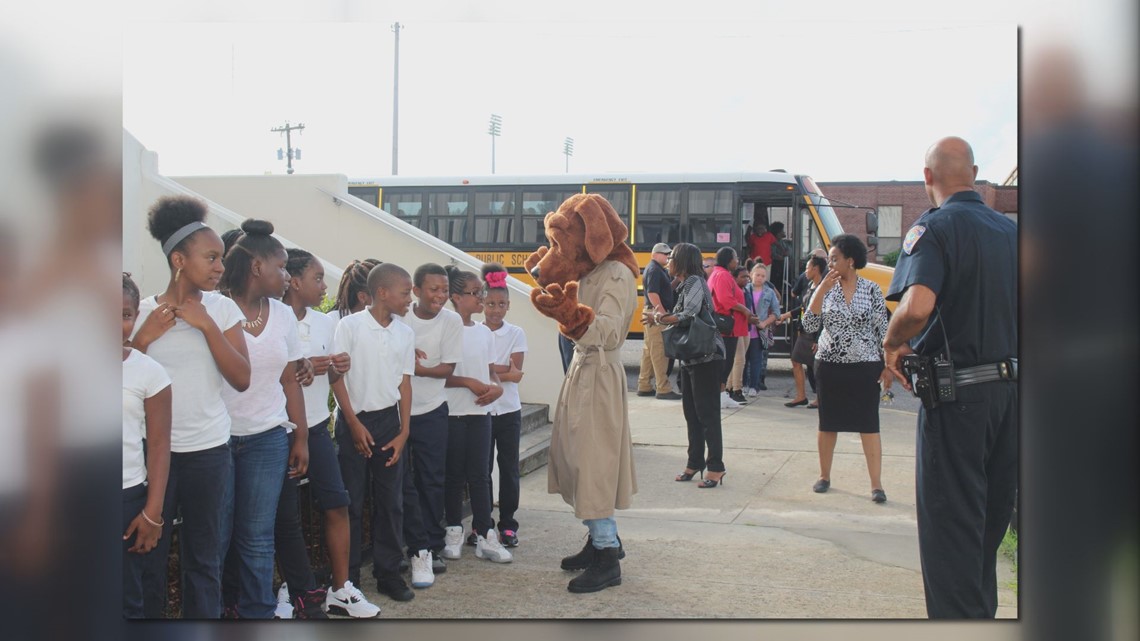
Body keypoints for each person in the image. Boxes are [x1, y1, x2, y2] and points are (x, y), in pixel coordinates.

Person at [883, 136, 1018, 618]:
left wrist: (892, 342)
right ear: (976, 173)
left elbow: (917, 306)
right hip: (1012, 400)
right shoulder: (1011, 232)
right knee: (984, 537)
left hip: (958, 400)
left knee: (951, 541)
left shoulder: (934, 228)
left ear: (927, 178)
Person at [131, 195, 250, 619]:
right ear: (179, 259)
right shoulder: (142, 312)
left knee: (204, 560)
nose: (221, 267)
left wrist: (206, 325)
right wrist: (142, 338)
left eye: (222, 258)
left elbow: (241, 377)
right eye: (212, 257)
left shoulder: (221, 308)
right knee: (148, 558)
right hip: (152, 457)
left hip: (208, 453)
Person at [276, 248, 378, 618]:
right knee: (284, 516)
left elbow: (335, 376)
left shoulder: (325, 324)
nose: (325, 287)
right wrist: (299, 367)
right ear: (295, 281)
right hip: (280, 431)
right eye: (317, 279)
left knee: (338, 503)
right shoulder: (272, 319)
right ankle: (290, 589)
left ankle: (341, 589)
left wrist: (337, 367)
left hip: (318, 427)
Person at [218, 219, 309, 619]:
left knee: (257, 537)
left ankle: (258, 613)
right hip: (215, 442)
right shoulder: (213, 308)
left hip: (267, 438)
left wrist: (301, 438)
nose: (287, 276)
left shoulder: (284, 316)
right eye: (282, 266)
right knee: (216, 537)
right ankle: (219, 609)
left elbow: (290, 380)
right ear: (257, 267)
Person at [330, 262, 418, 605]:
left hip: (388, 423)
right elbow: (337, 378)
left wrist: (403, 432)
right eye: (405, 292)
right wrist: (352, 424)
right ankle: (348, 578)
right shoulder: (349, 327)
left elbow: (405, 383)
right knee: (350, 501)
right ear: (382, 293)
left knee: (391, 503)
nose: (409, 299)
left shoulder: (405, 332)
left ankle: (388, 573)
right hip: (354, 420)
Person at [802, 234, 891, 503]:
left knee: (869, 425)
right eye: (829, 259)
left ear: (850, 261)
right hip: (830, 365)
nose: (830, 264)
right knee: (828, 423)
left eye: (834, 259)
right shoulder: (824, 289)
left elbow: (883, 330)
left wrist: (887, 366)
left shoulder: (872, 289)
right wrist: (820, 292)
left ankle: (876, 485)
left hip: (866, 367)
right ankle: (824, 476)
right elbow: (808, 327)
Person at [439, 266, 512, 563]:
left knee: (481, 476)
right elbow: (437, 375)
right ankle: (453, 530)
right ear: (455, 297)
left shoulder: (484, 333)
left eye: (481, 292)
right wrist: (467, 382)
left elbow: (492, 372)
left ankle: (485, 534)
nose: (480, 298)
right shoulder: (445, 328)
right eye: (474, 293)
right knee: (454, 476)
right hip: (452, 413)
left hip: (481, 414)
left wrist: (496, 389)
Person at [643, 242, 727, 488]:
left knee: (707, 414)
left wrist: (657, 317)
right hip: (693, 356)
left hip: (707, 357)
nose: (668, 261)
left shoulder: (694, 282)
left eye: (672, 258)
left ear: (682, 261)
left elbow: (687, 315)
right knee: (692, 413)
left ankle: (715, 467)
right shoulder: (683, 283)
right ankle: (694, 462)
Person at [400, 263, 464, 577]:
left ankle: (430, 545)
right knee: (397, 481)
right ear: (415, 291)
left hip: (432, 411)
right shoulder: (400, 315)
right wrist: (406, 359)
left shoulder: (451, 321)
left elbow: (447, 369)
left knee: (431, 479)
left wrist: (414, 367)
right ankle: (403, 545)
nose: (440, 295)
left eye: (444, 290)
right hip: (396, 411)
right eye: (433, 289)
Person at [121, 273, 172, 619]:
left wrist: (152, 512)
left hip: (126, 499)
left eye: (125, 314)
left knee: (127, 600)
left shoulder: (149, 373)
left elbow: (158, 445)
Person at [480, 263, 528, 548]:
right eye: (490, 304)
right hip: (482, 409)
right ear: (482, 303)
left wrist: (489, 369)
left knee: (508, 467)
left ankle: (508, 524)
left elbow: (516, 374)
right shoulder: (474, 331)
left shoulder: (516, 333)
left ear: (508, 305)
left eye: (501, 304)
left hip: (508, 410)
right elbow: (507, 371)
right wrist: (503, 368)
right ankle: (482, 524)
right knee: (481, 468)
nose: (495, 309)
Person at [707, 247, 759, 408]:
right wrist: (745, 310)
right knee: (726, 361)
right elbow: (725, 300)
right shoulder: (722, 275)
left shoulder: (720, 274)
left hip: (731, 325)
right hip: (728, 326)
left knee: (727, 361)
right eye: (735, 257)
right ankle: (720, 394)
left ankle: (722, 394)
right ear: (728, 259)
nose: (737, 261)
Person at [636, 243, 680, 400]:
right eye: (664, 254)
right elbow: (653, 293)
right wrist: (662, 313)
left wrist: (675, 281)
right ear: (654, 255)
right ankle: (663, 388)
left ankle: (644, 385)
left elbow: (664, 288)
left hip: (651, 312)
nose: (667, 256)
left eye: (669, 254)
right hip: (655, 313)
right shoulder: (655, 270)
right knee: (659, 352)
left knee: (649, 351)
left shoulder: (656, 269)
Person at [781, 254, 826, 407]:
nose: (805, 271)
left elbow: (823, 315)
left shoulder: (823, 288)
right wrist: (787, 315)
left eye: (807, 268)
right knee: (796, 360)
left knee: (817, 367)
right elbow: (804, 308)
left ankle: (821, 399)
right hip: (804, 330)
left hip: (814, 334)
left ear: (815, 268)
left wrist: (818, 339)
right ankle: (801, 396)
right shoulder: (809, 286)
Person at [742, 263, 781, 394]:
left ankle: (754, 386)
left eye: (763, 276)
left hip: (759, 331)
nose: (759, 278)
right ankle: (743, 384)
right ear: (751, 274)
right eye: (757, 275)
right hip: (744, 329)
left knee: (756, 360)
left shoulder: (769, 292)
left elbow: (776, 313)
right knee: (742, 360)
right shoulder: (744, 289)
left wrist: (764, 323)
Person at [726, 266, 753, 401]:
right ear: (735, 278)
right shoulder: (733, 290)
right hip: (735, 327)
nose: (746, 279)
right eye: (743, 277)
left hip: (746, 327)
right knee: (739, 359)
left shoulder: (747, 291)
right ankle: (736, 389)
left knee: (739, 360)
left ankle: (729, 387)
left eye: (747, 276)